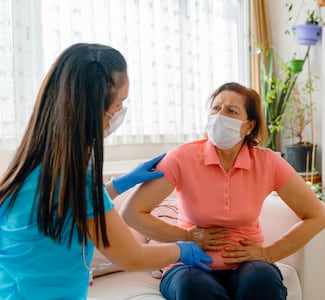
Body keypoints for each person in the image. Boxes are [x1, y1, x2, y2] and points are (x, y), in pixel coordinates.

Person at [0, 43, 212, 300]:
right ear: (91, 111)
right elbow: (132, 257)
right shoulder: (79, 184)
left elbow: (68, 208)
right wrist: (183, 249)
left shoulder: (25, 165)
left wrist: (121, 184)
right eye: (118, 104)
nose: (118, 114)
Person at [120, 82, 325, 300]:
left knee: (262, 280)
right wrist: (186, 236)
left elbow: (317, 216)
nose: (220, 115)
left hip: (246, 264)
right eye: (215, 108)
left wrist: (269, 253)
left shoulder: (268, 163)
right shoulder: (182, 157)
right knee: (194, 287)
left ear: (249, 126)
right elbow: (132, 213)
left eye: (231, 111)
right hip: (189, 265)